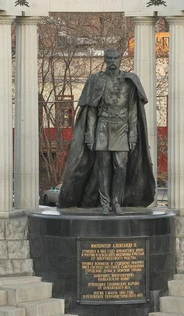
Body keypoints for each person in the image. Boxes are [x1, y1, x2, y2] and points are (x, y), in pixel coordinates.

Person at [58, 49, 155, 215]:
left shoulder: (129, 81)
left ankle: (116, 202)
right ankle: (104, 204)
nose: (112, 61)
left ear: (119, 59)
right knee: (102, 169)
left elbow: (132, 110)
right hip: (102, 128)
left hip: (122, 128)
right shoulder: (96, 80)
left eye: (115, 58)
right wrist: (89, 134)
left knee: (121, 167)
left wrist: (133, 134)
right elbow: (91, 111)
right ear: (105, 59)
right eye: (109, 58)